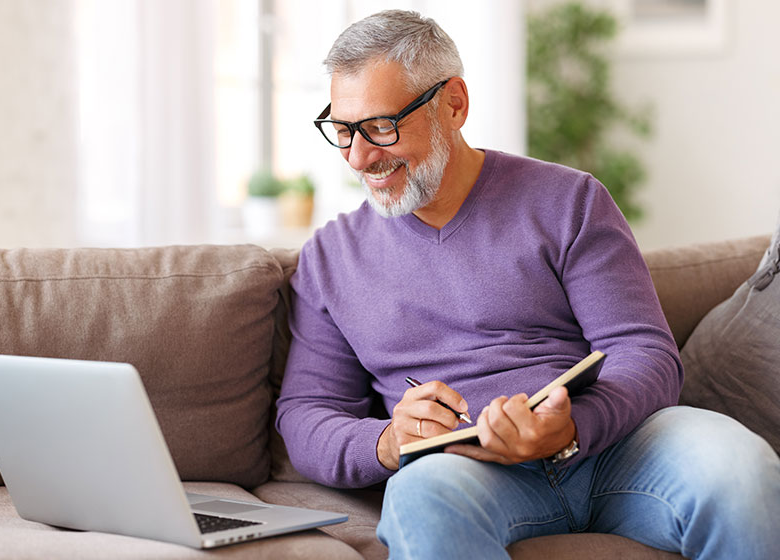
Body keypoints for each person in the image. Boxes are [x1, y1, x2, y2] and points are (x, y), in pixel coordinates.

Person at [275, 9, 780, 559]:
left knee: (742, 468)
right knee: (421, 497)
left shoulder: (570, 202)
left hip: (616, 449)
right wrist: (386, 442)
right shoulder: (330, 258)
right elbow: (305, 413)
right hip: (465, 473)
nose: (359, 156)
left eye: (380, 127)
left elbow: (646, 353)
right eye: (343, 131)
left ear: (454, 104)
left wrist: (573, 427)